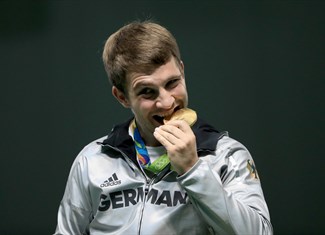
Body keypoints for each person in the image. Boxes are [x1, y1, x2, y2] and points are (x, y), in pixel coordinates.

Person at [54, 20, 273, 234]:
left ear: (182, 71)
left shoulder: (227, 156)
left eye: (172, 83)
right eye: (147, 92)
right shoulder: (92, 161)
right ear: (122, 97)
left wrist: (192, 170)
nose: (167, 102)